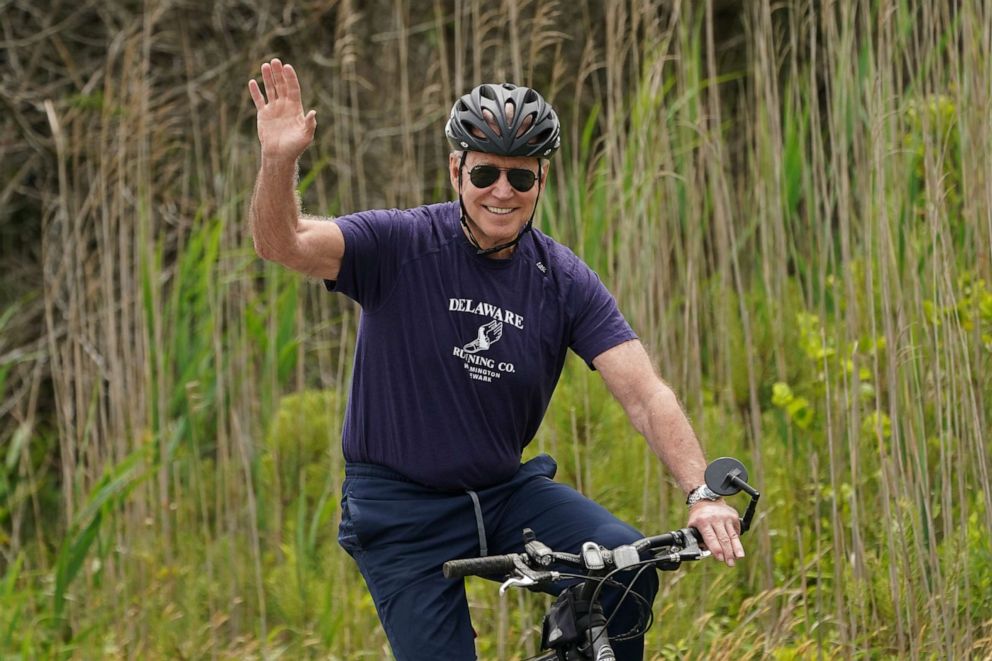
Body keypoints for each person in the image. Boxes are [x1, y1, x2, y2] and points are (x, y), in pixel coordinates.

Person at [247, 58, 744, 660]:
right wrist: (279, 160)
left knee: (625, 571)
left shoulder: (562, 280)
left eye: (520, 176)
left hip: (503, 493)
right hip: (401, 512)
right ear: (456, 169)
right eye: (485, 172)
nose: (501, 191)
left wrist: (701, 492)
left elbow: (645, 394)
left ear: (541, 181)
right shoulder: (400, 244)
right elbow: (284, 244)